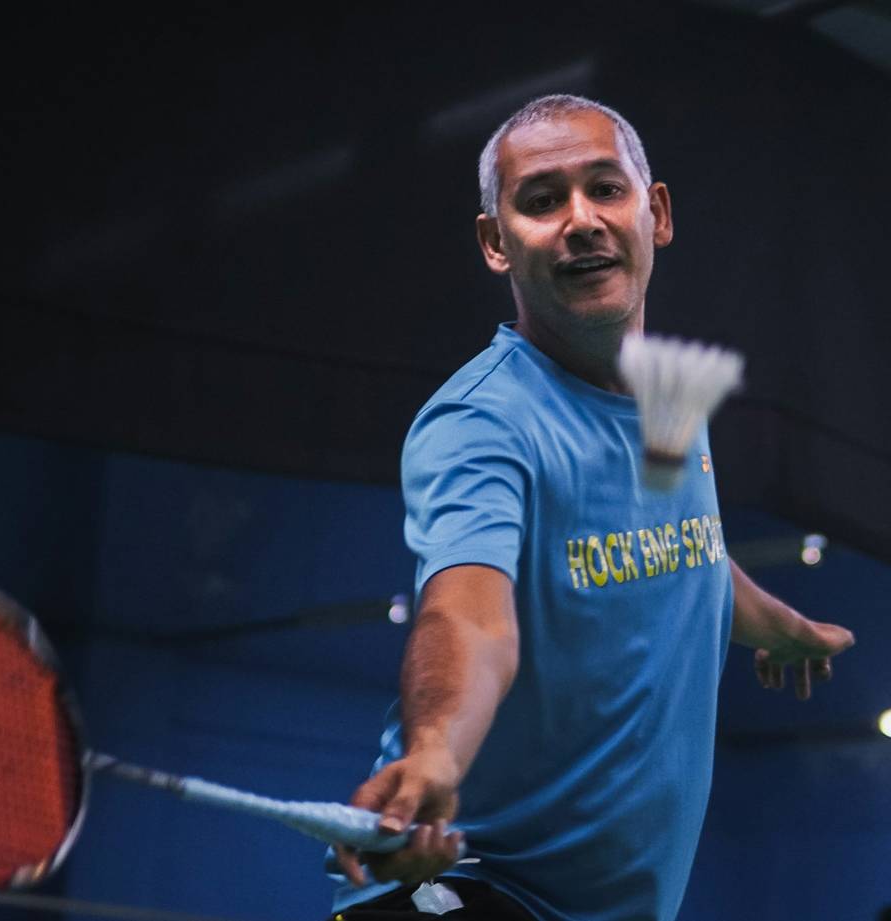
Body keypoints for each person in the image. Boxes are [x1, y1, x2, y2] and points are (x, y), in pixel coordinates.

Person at [327, 95, 855, 921]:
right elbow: (470, 617)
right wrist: (434, 751)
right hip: (467, 888)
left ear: (657, 213)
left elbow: (679, 546)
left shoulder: (670, 398)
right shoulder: (480, 422)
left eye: (606, 188)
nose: (581, 220)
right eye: (541, 201)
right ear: (496, 243)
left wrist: (777, 625)